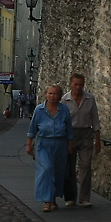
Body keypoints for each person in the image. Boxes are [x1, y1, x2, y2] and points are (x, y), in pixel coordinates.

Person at [26, 84, 73, 213]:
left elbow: (69, 128)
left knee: (57, 172)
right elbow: (32, 128)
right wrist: (29, 144)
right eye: (50, 93)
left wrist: (70, 143)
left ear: (59, 96)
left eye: (55, 94)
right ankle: (47, 201)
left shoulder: (64, 110)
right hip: (44, 144)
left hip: (60, 144)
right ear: (46, 94)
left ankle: (53, 199)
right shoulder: (39, 110)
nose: (52, 96)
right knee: (46, 169)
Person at [62, 73, 102, 207]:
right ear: (71, 84)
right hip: (70, 135)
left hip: (86, 134)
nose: (78, 87)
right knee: (70, 167)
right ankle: (71, 197)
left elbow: (95, 119)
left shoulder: (89, 99)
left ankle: (84, 198)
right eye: (76, 84)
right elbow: (62, 120)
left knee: (86, 166)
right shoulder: (65, 100)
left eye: (81, 84)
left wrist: (98, 139)